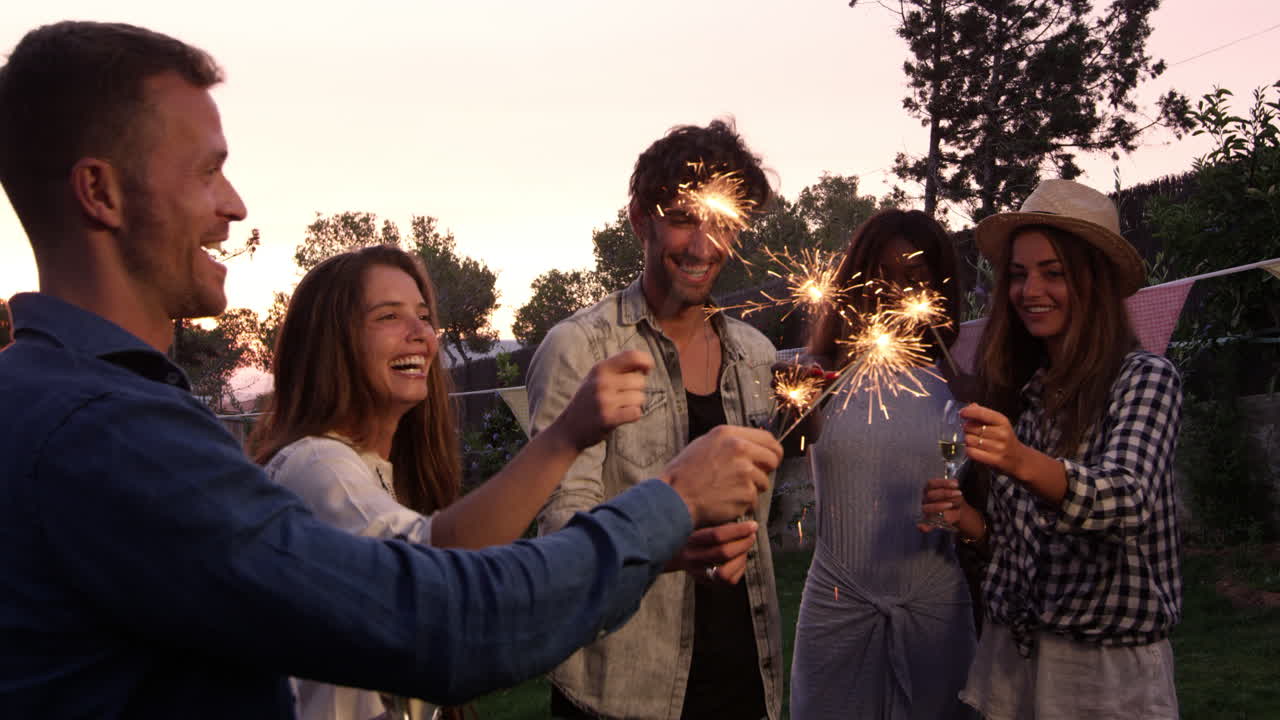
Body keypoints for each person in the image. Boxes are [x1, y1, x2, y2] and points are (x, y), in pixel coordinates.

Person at [0, 21, 783, 718]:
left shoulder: (66, 405)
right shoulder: (111, 437)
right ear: (99, 191)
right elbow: (440, 623)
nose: (234, 204)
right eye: (207, 171)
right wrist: (670, 500)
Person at [252, 244, 661, 720]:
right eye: (388, 316)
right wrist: (566, 436)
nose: (421, 334)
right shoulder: (315, 465)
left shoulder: (375, 473)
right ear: (330, 343)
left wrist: (658, 551)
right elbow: (438, 577)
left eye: (424, 316)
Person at [526, 119, 784, 720]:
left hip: (747, 679)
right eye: (684, 219)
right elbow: (564, 526)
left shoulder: (758, 356)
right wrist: (665, 539)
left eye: (720, 222)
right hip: (621, 690)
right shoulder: (580, 348)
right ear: (641, 219)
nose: (702, 246)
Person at [921, 179, 1183, 718]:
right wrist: (970, 520)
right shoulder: (1027, 393)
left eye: (1053, 272)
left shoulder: (1145, 379)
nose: (1029, 289)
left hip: (1103, 675)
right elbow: (1026, 552)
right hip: (1012, 662)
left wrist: (1020, 460)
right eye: (1018, 274)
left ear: (1096, 281)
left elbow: (1126, 499)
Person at [789, 209, 977, 720]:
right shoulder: (818, 377)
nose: (893, 293)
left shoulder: (962, 386)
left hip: (936, 612)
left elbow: (989, 517)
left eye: (913, 279)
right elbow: (768, 459)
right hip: (836, 608)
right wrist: (788, 419)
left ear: (936, 288)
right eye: (881, 276)